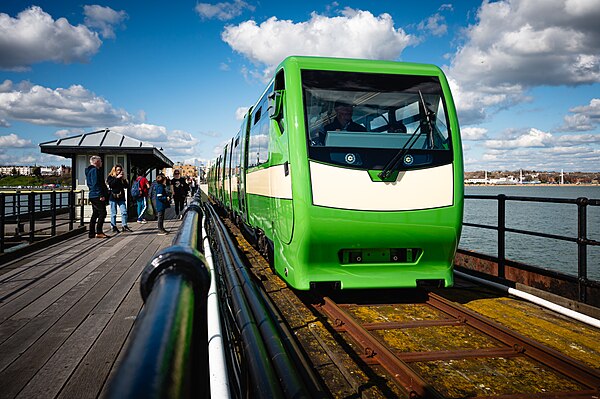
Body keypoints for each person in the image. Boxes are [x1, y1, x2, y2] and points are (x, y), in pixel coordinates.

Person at [85, 155, 109, 239]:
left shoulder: (89, 171)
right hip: (97, 195)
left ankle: (91, 233)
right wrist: (101, 195)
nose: (102, 162)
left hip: (92, 194)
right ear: (96, 162)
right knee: (103, 213)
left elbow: (90, 184)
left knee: (95, 214)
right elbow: (96, 183)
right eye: (101, 161)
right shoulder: (95, 170)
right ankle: (99, 232)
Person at [106, 164, 132, 233]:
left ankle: (124, 225)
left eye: (120, 170)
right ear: (114, 171)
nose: (119, 171)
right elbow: (111, 185)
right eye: (118, 170)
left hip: (121, 197)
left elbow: (126, 186)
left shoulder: (122, 178)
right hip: (113, 196)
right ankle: (113, 226)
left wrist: (124, 179)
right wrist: (117, 178)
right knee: (113, 213)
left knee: (124, 212)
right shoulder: (110, 177)